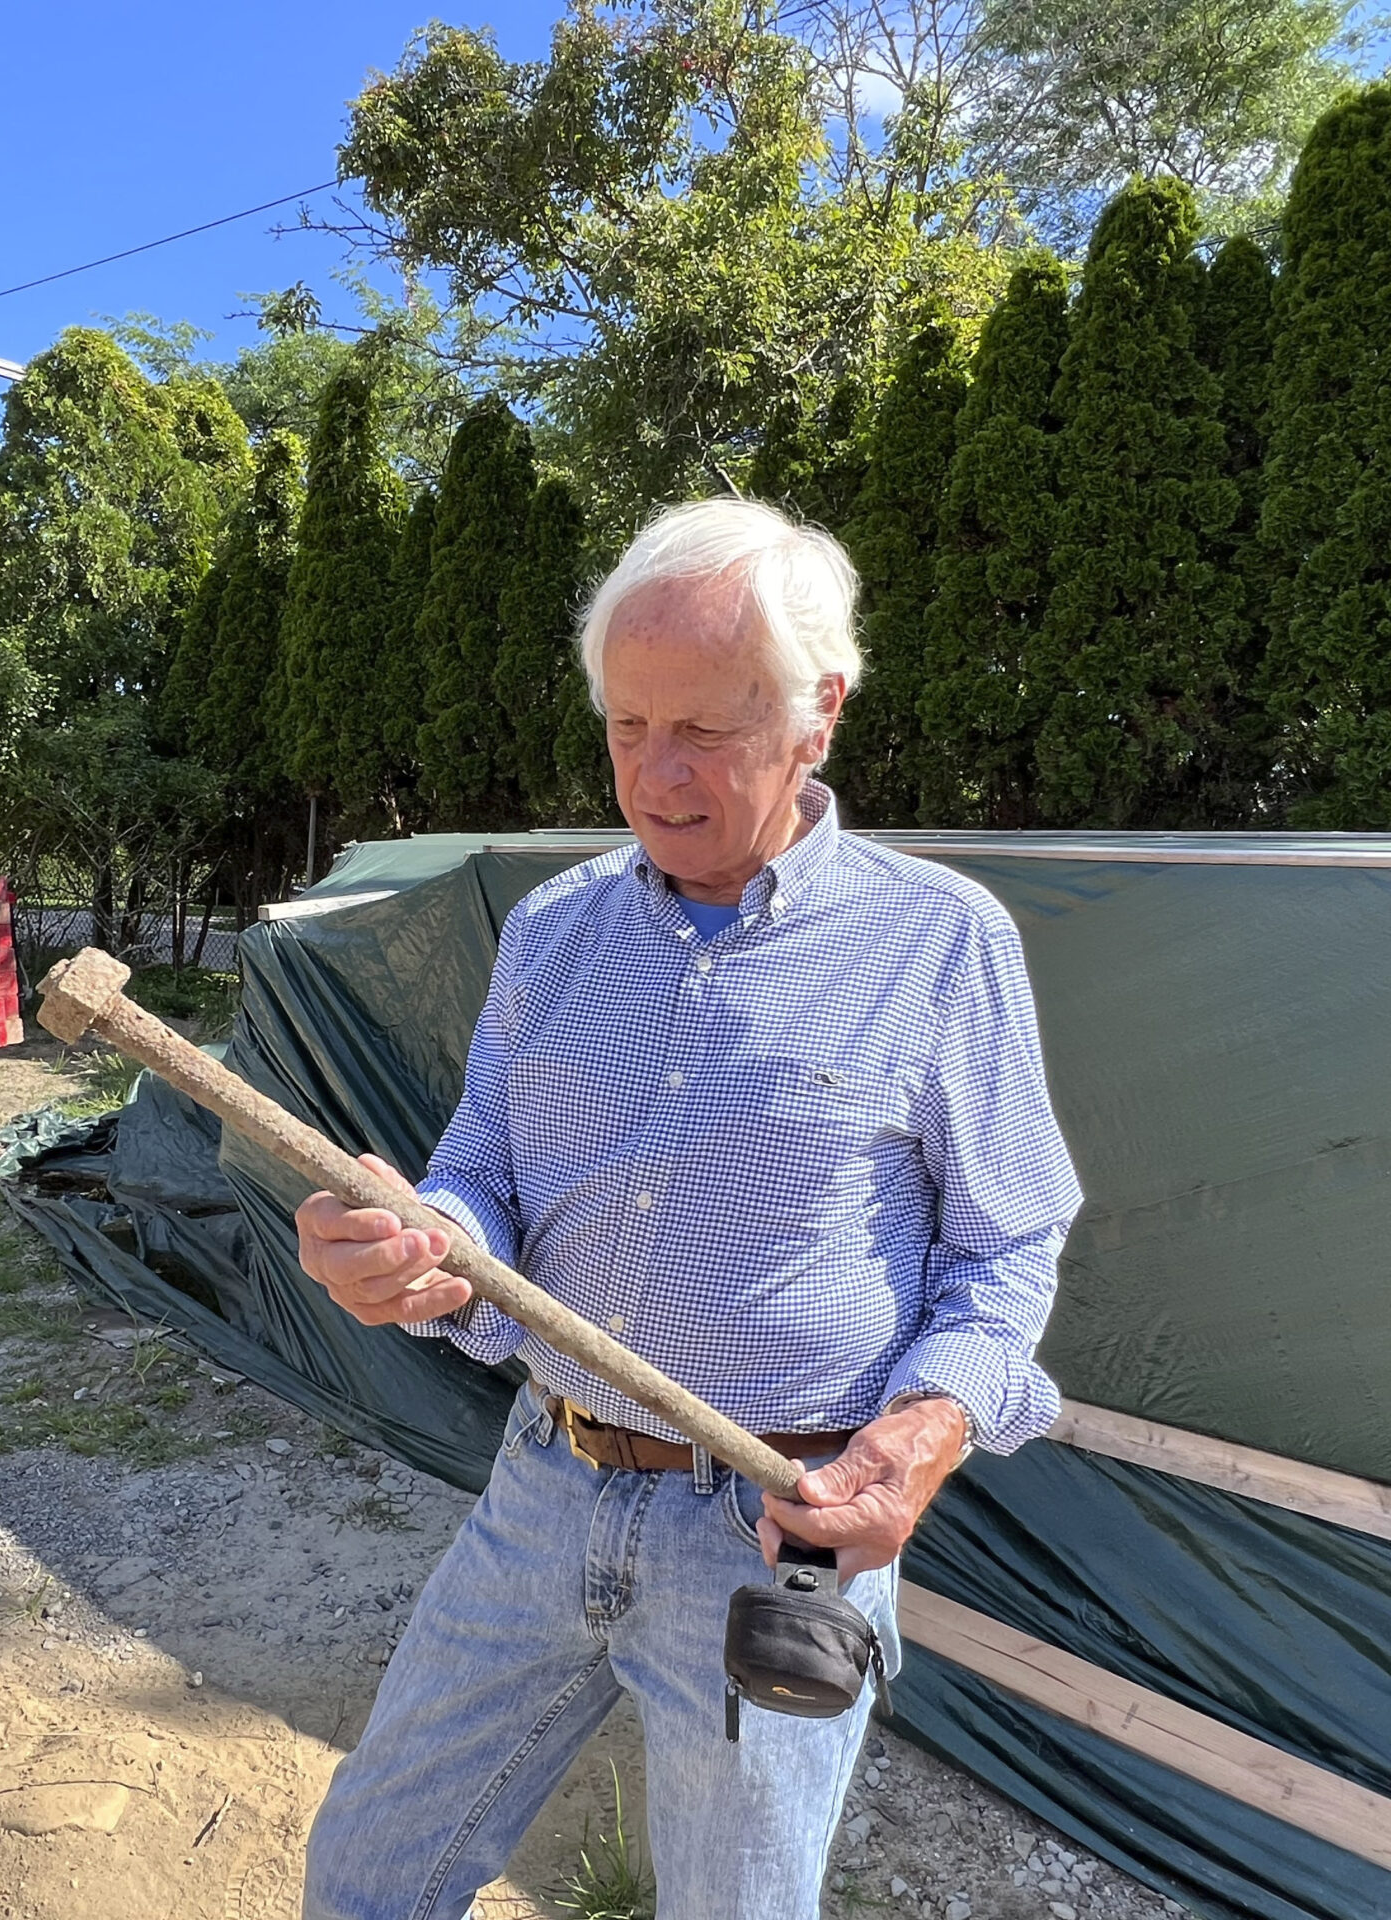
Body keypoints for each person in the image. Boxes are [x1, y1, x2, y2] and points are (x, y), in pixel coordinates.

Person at [292, 498, 1082, 1919]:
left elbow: (1009, 1240)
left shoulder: (939, 941)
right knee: (367, 1874)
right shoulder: (555, 927)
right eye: (624, 726)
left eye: (704, 730)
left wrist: (924, 1433)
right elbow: (483, 1167)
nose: (655, 777)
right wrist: (426, 1243)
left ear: (818, 712)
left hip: (772, 1533)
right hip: (545, 1484)